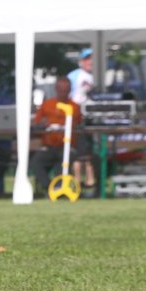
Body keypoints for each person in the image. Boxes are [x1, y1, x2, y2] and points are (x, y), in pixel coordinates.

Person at [30, 76, 82, 192]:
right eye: (60, 90)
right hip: (48, 146)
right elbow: (36, 123)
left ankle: (60, 189)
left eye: (65, 90)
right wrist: (42, 123)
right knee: (36, 163)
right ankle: (50, 188)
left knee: (62, 164)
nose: (63, 93)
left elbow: (79, 125)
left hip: (68, 147)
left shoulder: (75, 107)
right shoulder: (47, 105)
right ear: (56, 89)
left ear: (69, 90)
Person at [67, 48, 96, 188]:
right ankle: (77, 182)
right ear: (81, 61)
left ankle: (91, 181)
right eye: (87, 58)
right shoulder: (74, 76)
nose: (90, 61)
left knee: (90, 151)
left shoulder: (98, 76)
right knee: (78, 152)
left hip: (92, 118)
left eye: (92, 58)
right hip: (76, 118)